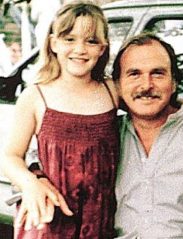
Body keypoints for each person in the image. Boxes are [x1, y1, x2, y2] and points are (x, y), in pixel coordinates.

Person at [1, 1, 119, 238]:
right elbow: (9, 156)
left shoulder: (112, 91)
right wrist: (30, 184)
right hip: (49, 219)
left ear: (103, 48)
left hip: (98, 221)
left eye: (91, 41)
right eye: (70, 39)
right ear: (53, 43)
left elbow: (149, 103)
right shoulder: (36, 95)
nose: (80, 49)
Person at [111, 33, 183, 239]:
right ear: (117, 85)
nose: (146, 85)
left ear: (174, 83)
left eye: (158, 73)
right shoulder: (104, 138)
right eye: (134, 74)